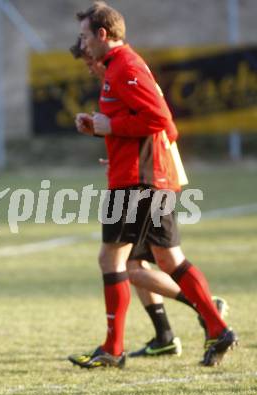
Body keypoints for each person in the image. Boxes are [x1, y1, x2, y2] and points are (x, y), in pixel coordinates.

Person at [68, 2, 238, 369]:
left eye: (84, 37)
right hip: (144, 175)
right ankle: (216, 326)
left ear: (101, 35)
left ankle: (114, 349)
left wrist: (112, 130)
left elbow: (160, 119)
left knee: (114, 258)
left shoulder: (125, 66)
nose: (82, 46)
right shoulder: (120, 67)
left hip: (138, 181)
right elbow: (156, 126)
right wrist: (114, 140)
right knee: (165, 258)